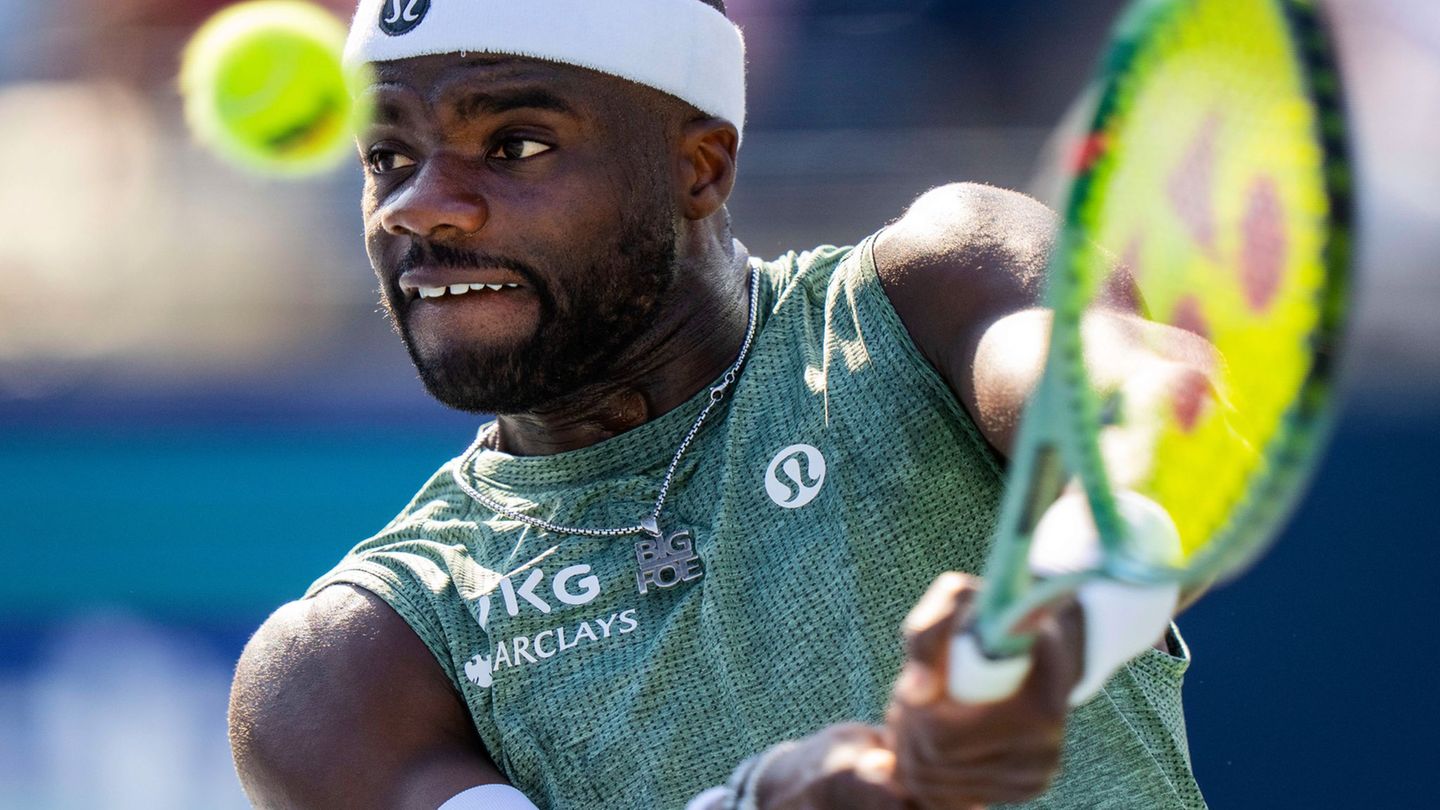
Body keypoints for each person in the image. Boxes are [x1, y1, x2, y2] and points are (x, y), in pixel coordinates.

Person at [228, 1, 1208, 807]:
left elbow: (1132, 426)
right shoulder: (348, 667)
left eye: (514, 144)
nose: (418, 205)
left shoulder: (935, 287)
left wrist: (1050, 627)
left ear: (701, 166)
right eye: (388, 158)